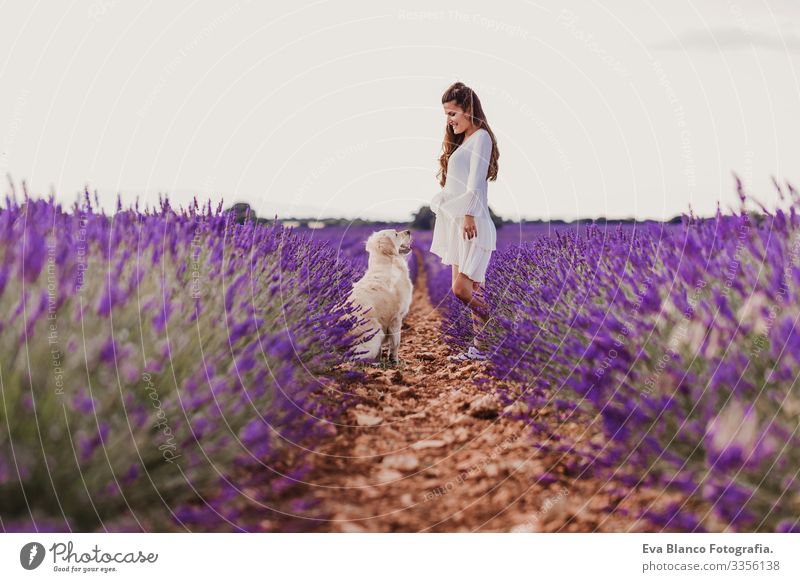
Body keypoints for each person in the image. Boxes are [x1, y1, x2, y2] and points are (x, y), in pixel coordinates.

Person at [429, 81, 499, 361]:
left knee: (462, 289)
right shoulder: (464, 142)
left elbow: (476, 181)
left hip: (473, 223)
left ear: (468, 109)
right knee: (470, 292)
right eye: (446, 114)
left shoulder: (481, 137)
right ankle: (481, 349)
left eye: (453, 113)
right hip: (459, 224)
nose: (449, 120)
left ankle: (499, 332)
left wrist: (468, 213)